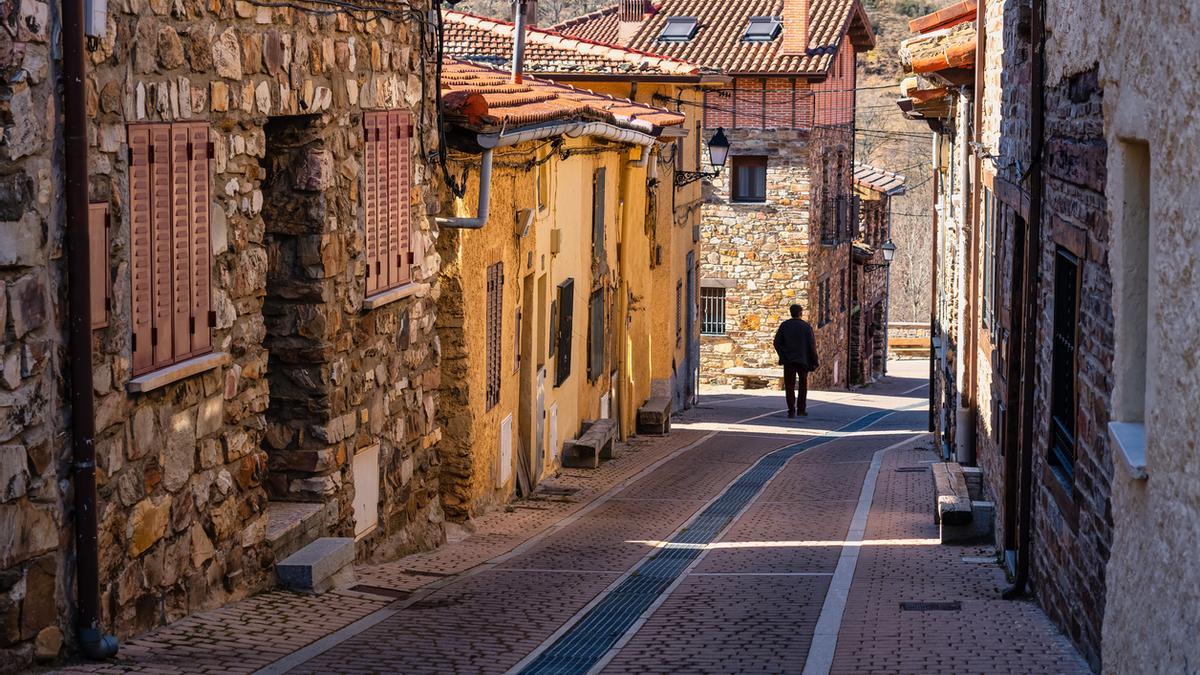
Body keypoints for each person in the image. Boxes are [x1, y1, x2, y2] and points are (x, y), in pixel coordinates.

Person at [773, 304, 819, 418]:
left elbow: (777, 342)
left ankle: (791, 410)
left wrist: (783, 355)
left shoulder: (784, 326)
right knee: (803, 385)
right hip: (803, 360)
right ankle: (801, 409)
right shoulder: (806, 327)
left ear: (790, 312)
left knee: (789, 386)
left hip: (789, 361)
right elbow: (811, 345)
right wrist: (814, 360)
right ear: (800, 313)